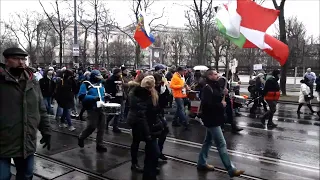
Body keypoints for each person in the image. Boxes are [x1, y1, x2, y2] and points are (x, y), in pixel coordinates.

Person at [0, 47, 51, 180]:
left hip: (26, 141)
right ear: (6, 61)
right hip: (3, 142)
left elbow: (41, 108)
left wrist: (46, 131)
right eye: (17, 59)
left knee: (26, 175)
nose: (21, 62)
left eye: (23, 59)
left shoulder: (32, 81)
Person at [197, 69, 244, 178]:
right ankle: (231, 169)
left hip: (215, 119)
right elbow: (207, 105)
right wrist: (220, 105)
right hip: (211, 120)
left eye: (217, 73)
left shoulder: (215, 86)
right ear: (209, 76)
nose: (217, 75)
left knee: (208, 142)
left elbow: (218, 98)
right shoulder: (207, 88)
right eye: (214, 74)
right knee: (221, 144)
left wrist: (224, 94)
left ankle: (201, 163)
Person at [127, 76, 163, 180]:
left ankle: (149, 168)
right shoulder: (136, 92)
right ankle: (135, 163)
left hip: (147, 123)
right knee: (136, 142)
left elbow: (155, 108)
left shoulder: (149, 93)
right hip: (137, 121)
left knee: (150, 146)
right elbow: (140, 111)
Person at [78, 70, 108, 152]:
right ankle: (81, 137)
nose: (99, 79)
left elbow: (102, 93)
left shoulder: (101, 84)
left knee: (102, 127)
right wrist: (93, 98)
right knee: (92, 126)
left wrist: (106, 96)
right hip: (92, 108)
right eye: (97, 77)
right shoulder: (86, 84)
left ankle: (99, 144)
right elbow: (81, 96)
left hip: (101, 107)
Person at [105, 68, 123, 133]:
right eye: (120, 72)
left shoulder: (119, 79)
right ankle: (108, 123)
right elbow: (107, 88)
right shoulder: (110, 79)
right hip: (113, 97)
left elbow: (120, 88)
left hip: (119, 97)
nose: (121, 74)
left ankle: (114, 126)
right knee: (113, 112)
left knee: (117, 113)